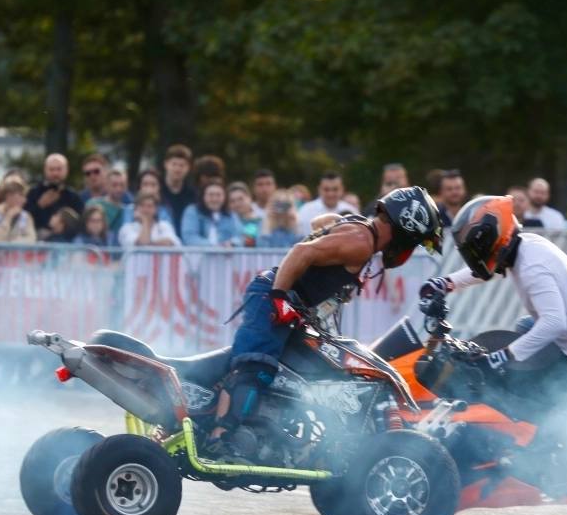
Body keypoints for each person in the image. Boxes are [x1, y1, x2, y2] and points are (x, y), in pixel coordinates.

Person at [420, 195, 567, 515]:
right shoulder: (523, 248)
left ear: (493, 237)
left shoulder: (531, 264)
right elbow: (482, 271)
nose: (475, 256)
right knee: (520, 329)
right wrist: (446, 283)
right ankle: (540, 428)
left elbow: (554, 324)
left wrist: (504, 356)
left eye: (476, 247)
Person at [206, 186, 444, 455]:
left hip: (290, 301)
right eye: (414, 241)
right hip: (273, 295)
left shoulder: (359, 228)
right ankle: (220, 438)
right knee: (256, 368)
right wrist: (279, 297)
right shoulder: (361, 243)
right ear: (405, 229)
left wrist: (338, 224)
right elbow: (301, 251)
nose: (410, 249)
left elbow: (318, 223)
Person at [25, 153, 84, 239]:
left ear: (66, 170)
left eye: (59, 169)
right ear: (45, 170)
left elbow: (79, 224)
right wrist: (39, 205)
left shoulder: (74, 197)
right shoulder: (33, 193)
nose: (55, 173)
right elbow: (24, 219)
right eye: (51, 169)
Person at [180, 178, 244, 247]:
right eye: (210, 195)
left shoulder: (231, 216)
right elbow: (189, 237)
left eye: (218, 195)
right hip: (199, 256)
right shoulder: (192, 211)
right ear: (203, 196)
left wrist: (232, 243)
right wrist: (213, 247)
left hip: (226, 257)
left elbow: (240, 237)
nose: (214, 199)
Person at [0, 178, 36, 243]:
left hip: (18, 253)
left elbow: (31, 239)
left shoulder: (26, 216)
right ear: (9, 196)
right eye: (21, 196)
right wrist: (8, 218)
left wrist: (12, 244)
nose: (25, 200)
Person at [160, 145, 197, 230]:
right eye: (174, 164)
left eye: (182, 165)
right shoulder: (156, 189)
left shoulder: (193, 194)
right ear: (166, 164)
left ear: (188, 168)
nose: (177, 169)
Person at [91, 168, 131, 233]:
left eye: (122, 185)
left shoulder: (128, 211)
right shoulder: (93, 204)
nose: (118, 189)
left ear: (126, 186)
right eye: (114, 185)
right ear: (107, 185)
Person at [228, 182, 261, 247]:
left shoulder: (262, 221)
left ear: (249, 198)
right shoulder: (227, 223)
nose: (237, 204)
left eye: (240, 199)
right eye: (232, 201)